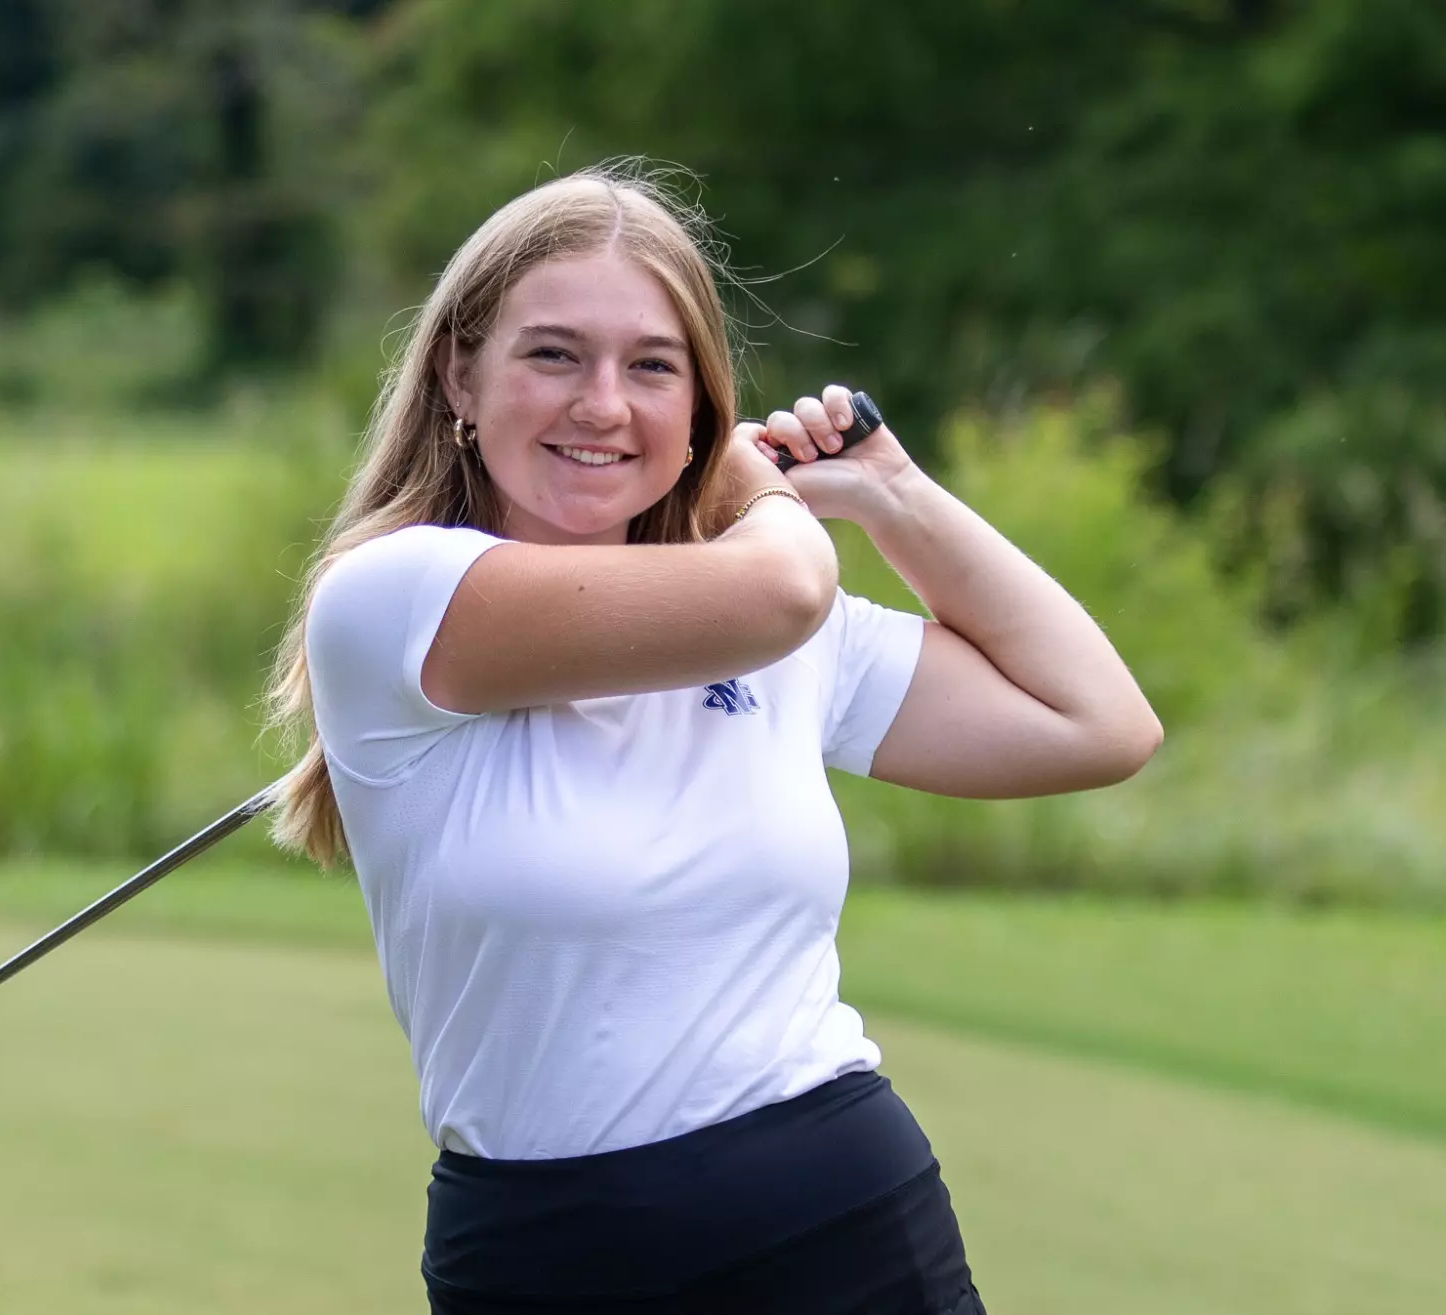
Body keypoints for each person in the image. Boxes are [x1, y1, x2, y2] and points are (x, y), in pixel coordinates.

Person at [262, 163, 1163, 1315]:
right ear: (458, 374)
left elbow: (1094, 723)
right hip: (548, 1262)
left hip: (844, 1223)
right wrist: (757, 491)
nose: (602, 404)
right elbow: (784, 589)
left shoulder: (776, 620)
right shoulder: (389, 598)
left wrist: (891, 496)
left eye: (651, 366)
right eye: (552, 354)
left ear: (696, 403)